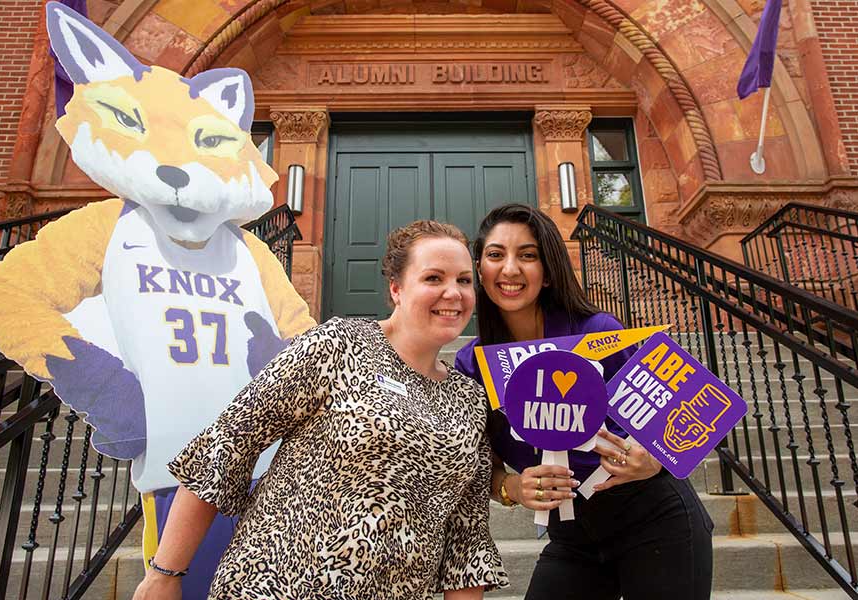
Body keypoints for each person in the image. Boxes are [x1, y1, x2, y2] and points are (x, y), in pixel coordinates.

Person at [133, 220, 508, 600]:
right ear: (396, 288)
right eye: (433, 278)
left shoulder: (470, 399)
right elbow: (229, 443)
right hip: (274, 586)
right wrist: (164, 573)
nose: (453, 293)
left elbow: (466, 539)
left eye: (464, 280)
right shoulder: (337, 344)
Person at [454, 204, 713, 600]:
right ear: (479, 268)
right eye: (495, 255)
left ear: (548, 269)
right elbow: (478, 466)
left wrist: (653, 458)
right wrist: (511, 487)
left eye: (528, 255)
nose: (509, 269)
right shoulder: (472, 363)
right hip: (571, 536)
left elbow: (684, 419)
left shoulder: (599, 333)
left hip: (655, 520)